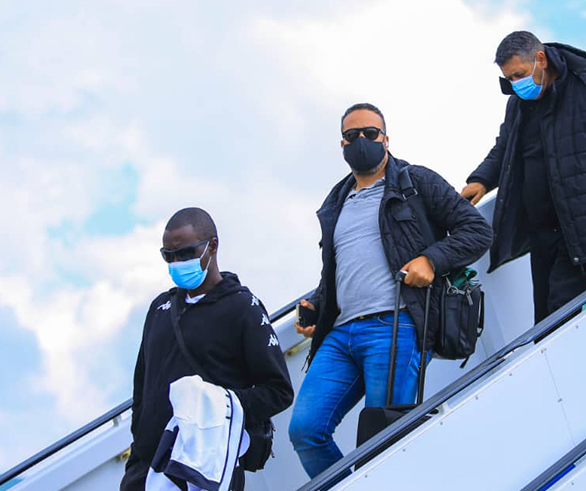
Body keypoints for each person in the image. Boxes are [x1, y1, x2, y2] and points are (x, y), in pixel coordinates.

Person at [288, 103, 492, 479]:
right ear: (342, 145)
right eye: (352, 136)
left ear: (386, 139)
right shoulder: (335, 203)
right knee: (305, 430)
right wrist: (317, 303)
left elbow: (477, 231)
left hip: (396, 327)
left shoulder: (416, 182)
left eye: (370, 133)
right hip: (339, 335)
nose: (361, 141)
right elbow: (339, 270)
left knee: (384, 441)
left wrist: (431, 260)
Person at [460, 31, 586, 323]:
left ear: (540, 59)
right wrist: (481, 180)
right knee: (547, 322)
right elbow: (506, 148)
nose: (515, 84)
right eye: (509, 79)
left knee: (567, 323)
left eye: (519, 74)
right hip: (542, 238)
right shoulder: (518, 102)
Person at [121, 207, 293, 491]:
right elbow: (142, 390)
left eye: (186, 253)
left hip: (206, 471)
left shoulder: (243, 308)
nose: (177, 262)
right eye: (169, 256)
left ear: (212, 246)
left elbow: (279, 391)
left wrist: (216, 405)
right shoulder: (159, 309)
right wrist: (138, 453)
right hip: (147, 469)